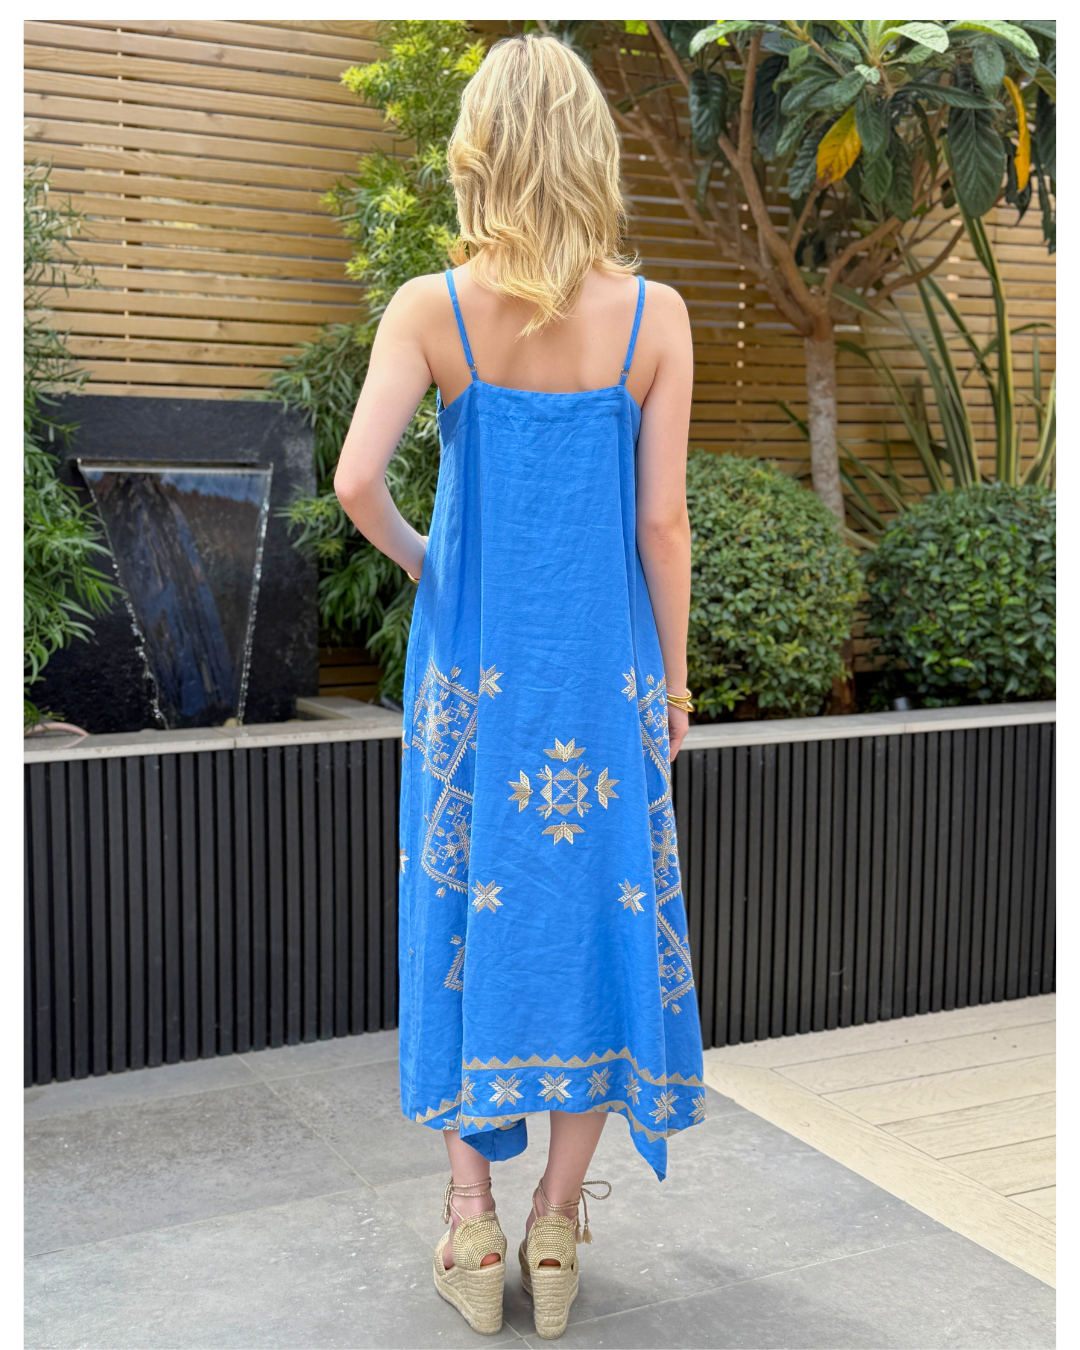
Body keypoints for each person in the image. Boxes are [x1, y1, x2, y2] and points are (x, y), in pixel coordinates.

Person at [334, 32, 704, 1341]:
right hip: (601, 680)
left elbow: (356, 482)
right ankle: (556, 1226)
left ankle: (471, 1219)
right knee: (599, 917)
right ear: (592, 151)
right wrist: (673, 686)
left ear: (478, 151)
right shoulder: (656, 318)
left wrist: (436, 564)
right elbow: (663, 525)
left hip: (474, 688)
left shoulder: (430, 308)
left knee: (466, 916)